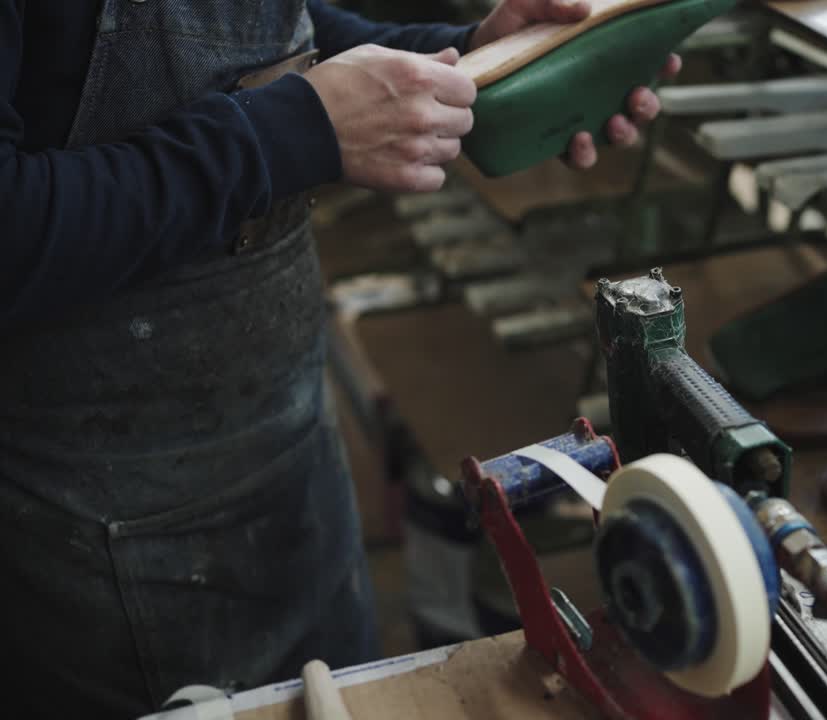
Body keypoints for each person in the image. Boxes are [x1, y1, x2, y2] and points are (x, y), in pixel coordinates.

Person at [0, 1, 678, 717]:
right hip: (98, 531)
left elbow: (251, 25)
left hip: (290, 458)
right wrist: (290, 133)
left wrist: (470, 60)